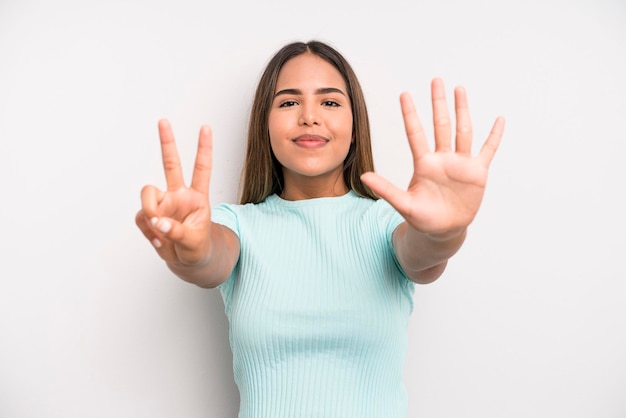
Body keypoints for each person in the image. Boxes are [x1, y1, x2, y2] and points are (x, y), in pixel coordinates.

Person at [135, 40, 505, 418]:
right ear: (265, 124)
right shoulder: (238, 226)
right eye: (288, 102)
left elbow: (424, 254)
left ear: (355, 124)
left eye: (329, 102)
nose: (310, 116)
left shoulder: (386, 224)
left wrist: (444, 231)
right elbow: (209, 258)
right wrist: (191, 250)